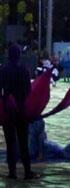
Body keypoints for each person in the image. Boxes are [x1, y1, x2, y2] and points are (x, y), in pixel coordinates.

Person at [0, 44, 40, 180]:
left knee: (10, 143)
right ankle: (27, 171)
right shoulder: (24, 70)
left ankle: (12, 172)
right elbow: (29, 91)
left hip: (7, 110)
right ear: (19, 56)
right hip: (21, 110)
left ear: (8, 55)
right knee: (23, 142)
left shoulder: (3, 70)